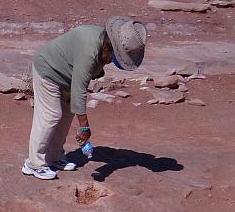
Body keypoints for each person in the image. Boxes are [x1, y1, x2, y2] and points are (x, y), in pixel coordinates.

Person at [22, 17, 147, 180]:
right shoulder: (90, 51)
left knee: (66, 116)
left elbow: (80, 79)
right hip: (48, 69)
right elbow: (79, 88)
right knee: (51, 115)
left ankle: (54, 156)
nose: (109, 62)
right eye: (114, 58)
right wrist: (84, 126)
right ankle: (34, 164)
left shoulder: (102, 42)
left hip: (67, 76)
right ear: (109, 47)